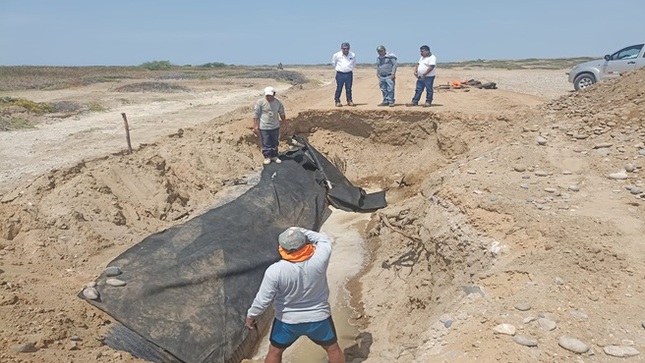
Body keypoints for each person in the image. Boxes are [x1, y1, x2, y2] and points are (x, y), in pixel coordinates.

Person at [246, 227, 345, 363]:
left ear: (282, 248)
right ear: (305, 244)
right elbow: (323, 239)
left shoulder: (275, 271)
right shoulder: (319, 259)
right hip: (319, 318)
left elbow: (263, 300)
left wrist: (251, 315)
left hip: (287, 321)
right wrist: (299, 230)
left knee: (275, 351)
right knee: (333, 349)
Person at [253, 86, 286, 165]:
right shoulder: (260, 102)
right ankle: (267, 157)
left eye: (270, 95)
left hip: (275, 126)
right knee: (266, 142)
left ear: (274, 94)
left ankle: (274, 156)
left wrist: (284, 122)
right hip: (264, 127)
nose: (268, 97)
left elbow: (281, 113)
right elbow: (255, 115)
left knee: (274, 142)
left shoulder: (278, 103)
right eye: (267, 95)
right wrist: (255, 126)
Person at [331, 42, 356, 107]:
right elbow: (334, 63)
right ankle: (337, 101)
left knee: (348, 88)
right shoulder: (337, 55)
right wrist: (339, 69)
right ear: (341, 48)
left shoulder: (352, 55)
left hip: (349, 74)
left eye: (347, 48)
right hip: (340, 74)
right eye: (344, 48)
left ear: (349, 49)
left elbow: (354, 64)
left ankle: (349, 101)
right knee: (339, 88)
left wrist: (349, 69)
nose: (345, 50)